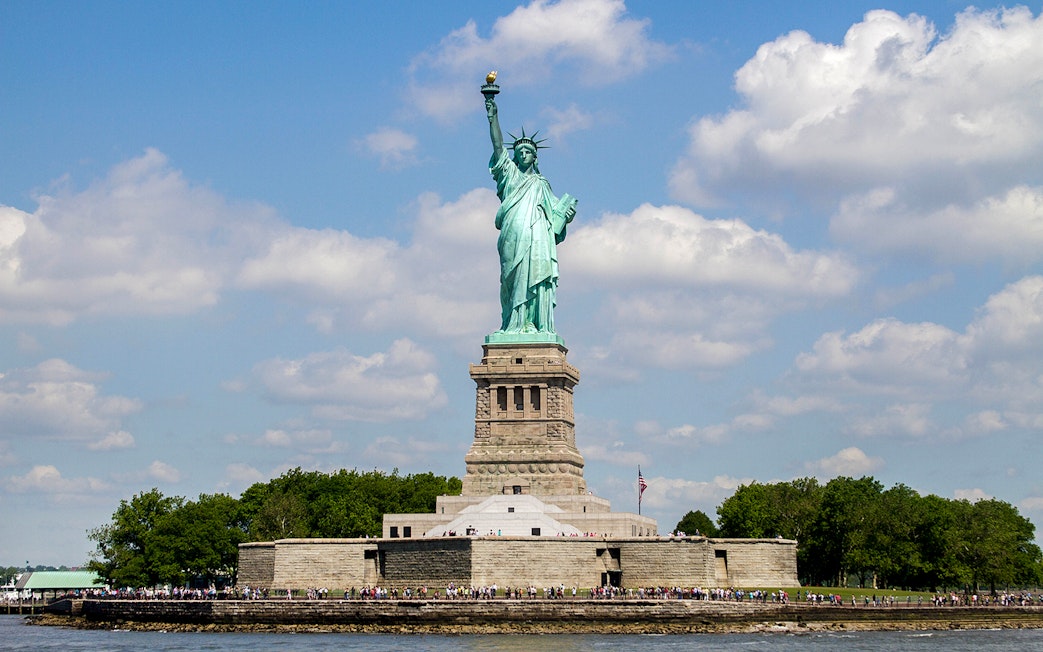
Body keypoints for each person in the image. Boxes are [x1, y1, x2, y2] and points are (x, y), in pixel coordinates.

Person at [486, 93, 576, 335]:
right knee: (511, 279)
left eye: (528, 151)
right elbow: (497, 146)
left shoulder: (541, 184)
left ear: (535, 157)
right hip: (513, 236)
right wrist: (492, 117)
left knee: (535, 278)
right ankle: (511, 324)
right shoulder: (509, 176)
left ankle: (531, 323)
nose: (523, 154)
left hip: (537, 238)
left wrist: (567, 214)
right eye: (519, 151)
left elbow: (556, 214)